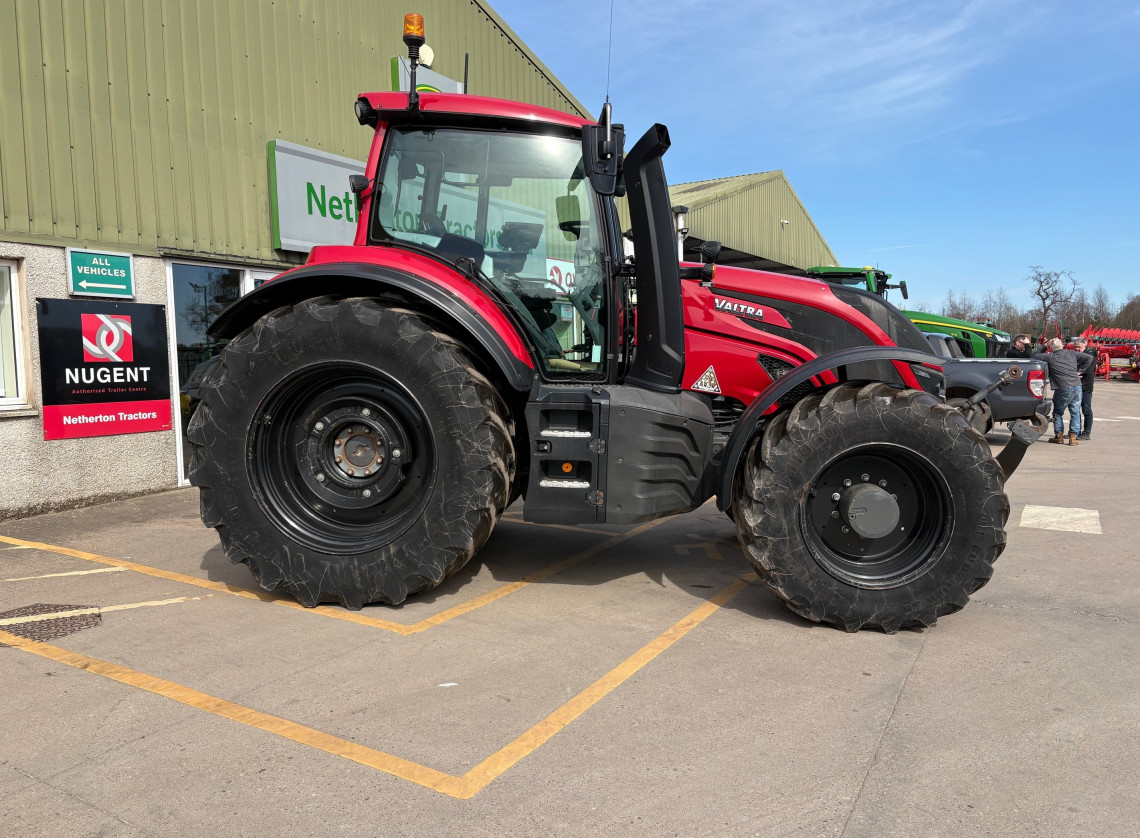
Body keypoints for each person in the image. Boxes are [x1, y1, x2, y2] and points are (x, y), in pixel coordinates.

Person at [1034, 337, 1092, 445]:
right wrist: (1080, 371)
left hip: (1062, 387)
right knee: (1075, 412)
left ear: (1051, 348)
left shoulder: (1050, 356)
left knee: (1058, 412)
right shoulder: (1071, 353)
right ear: (1062, 346)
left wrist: (1045, 345)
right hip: (1077, 386)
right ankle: (1073, 437)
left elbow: (1035, 355)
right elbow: (1089, 358)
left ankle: (1059, 436)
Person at [1073, 337, 1095, 440]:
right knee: (1075, 410)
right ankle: (1075, 431)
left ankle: (1086, 433)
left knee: (1086, 410)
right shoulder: (1074, 356)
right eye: (1075, 347)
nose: (1077, 349)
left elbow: (1087, 371)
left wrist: (1076, 373)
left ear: (1084, 347)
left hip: (1085, 387)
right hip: (1075, 385)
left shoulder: (1090, 356)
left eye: (1079, 347)